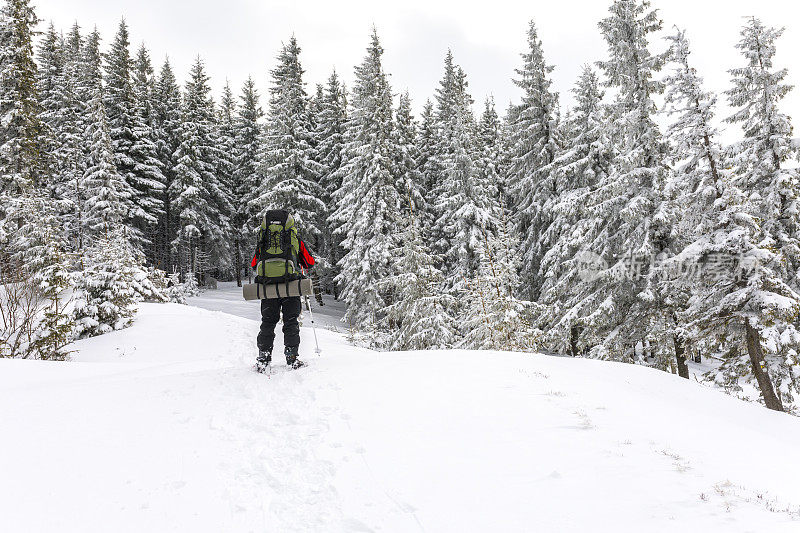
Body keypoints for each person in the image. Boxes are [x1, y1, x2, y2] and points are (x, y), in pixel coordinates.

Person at [250, 209, 315, 370]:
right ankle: (292, 358)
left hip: (268, 287)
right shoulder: (294, 239)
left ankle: (263, 359)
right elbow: (309, 262)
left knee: (268, 322)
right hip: (290, 287)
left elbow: (253, 264)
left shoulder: (263, 239)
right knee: (291, 322)